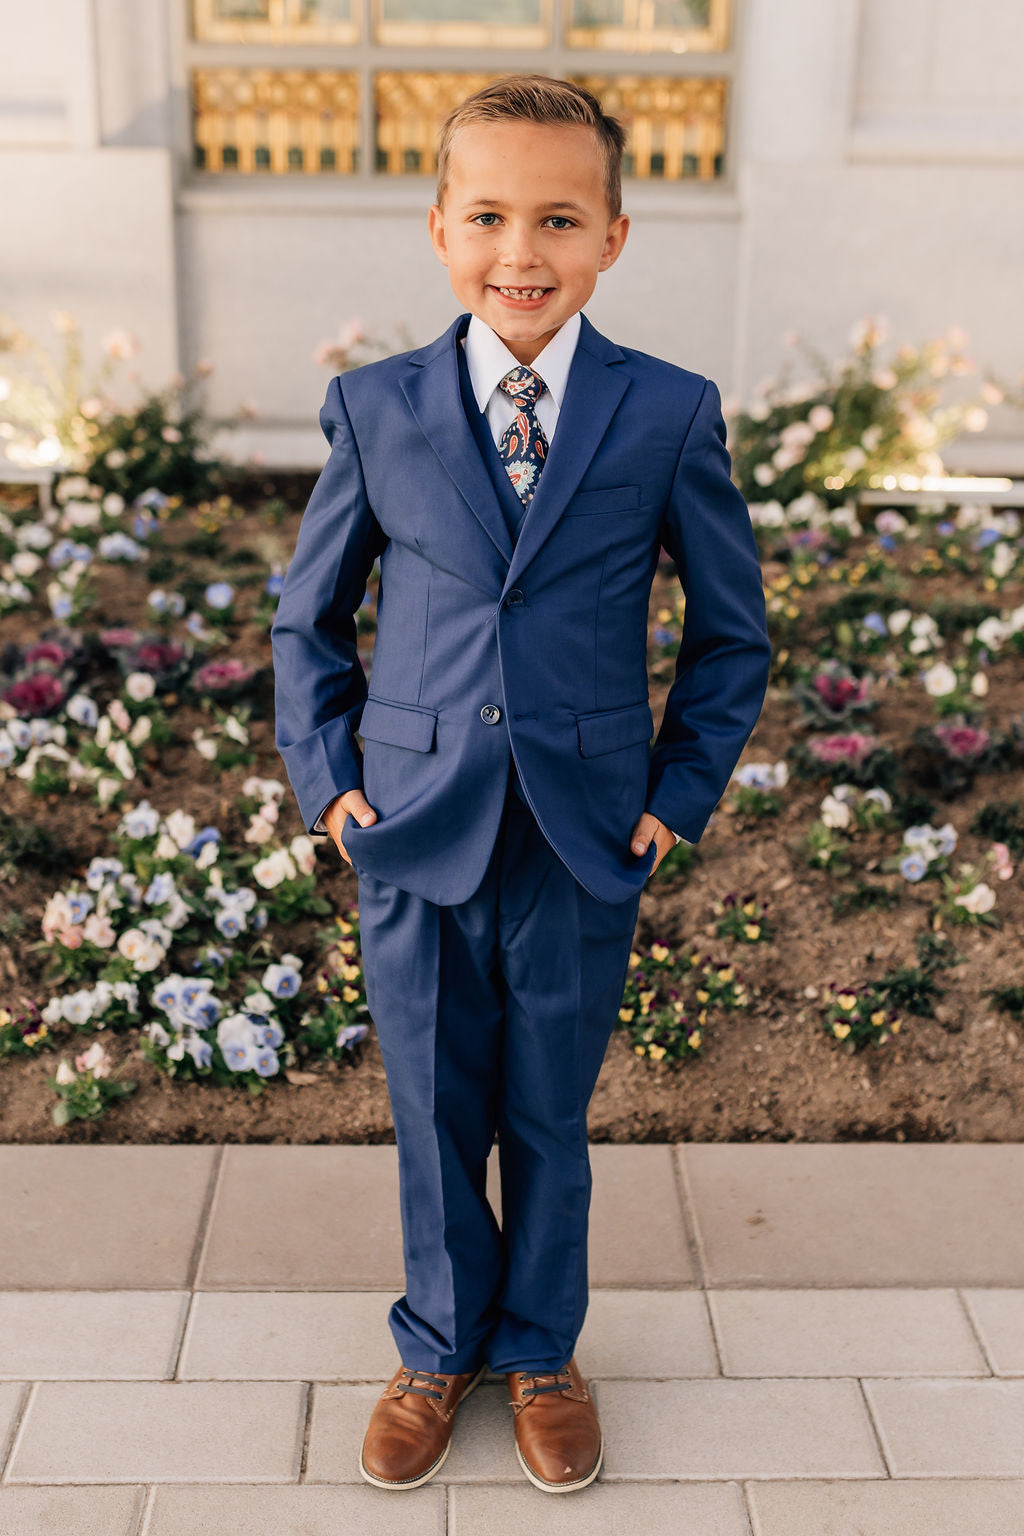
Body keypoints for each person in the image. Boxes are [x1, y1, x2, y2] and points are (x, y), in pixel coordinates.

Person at [271, 73, 771, 1495]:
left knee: (548, 1108)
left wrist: (675, 795)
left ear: (614, 235)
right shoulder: (377, 409)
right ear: (439, 227)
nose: (521, 251)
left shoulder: (666, 413)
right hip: (414, 827)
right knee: (432, 1105)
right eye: (488, 215)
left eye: (559, 217)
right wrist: (330, 787)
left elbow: (730, 635)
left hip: (583, 830)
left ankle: (543, 1347)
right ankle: (438, 1345)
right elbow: (307, 619)